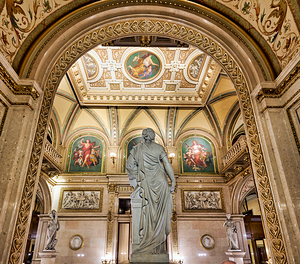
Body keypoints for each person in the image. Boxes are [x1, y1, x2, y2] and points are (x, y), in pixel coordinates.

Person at [126, 128, 175, 255]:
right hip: (161, 181)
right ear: (153, 136)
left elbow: (129, 165)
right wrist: (173, 181)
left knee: (147, 211)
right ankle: (157, 244)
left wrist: (138, 179)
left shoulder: (137, 149)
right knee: (160, 213)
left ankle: (146, 241)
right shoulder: (159, 148)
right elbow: (167, 164)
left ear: (144, 136)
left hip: (146, 181)